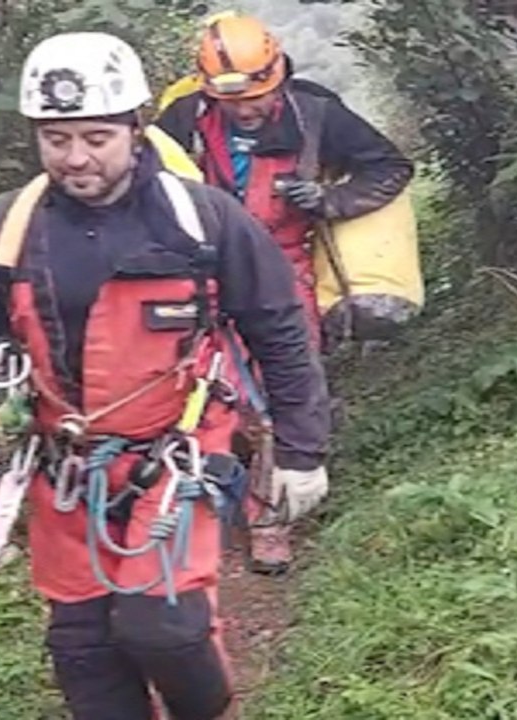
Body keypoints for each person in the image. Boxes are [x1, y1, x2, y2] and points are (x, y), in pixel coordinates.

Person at [0, 31, 331, 720]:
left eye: (96, 138)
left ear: (136, 128)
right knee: (85, 653)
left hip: (180, 457)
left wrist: (302, 452)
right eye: (56, 139)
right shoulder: (3, 235)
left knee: (165, 629)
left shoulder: (203, 222)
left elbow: (279, 331)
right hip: (68, 468)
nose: (76, 158)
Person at [155, 13, 414, 574]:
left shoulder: (316, 114)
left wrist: (329, 201)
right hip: (203, 270)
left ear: (278, 77)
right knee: (195, 386)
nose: (246, 110)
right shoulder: (185, 119)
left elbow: (390, 167)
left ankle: (270, 519)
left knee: (282, 386)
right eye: (233, 101)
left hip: (283, 267)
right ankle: (188, 502)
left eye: (257, 97)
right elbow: (145, 182)